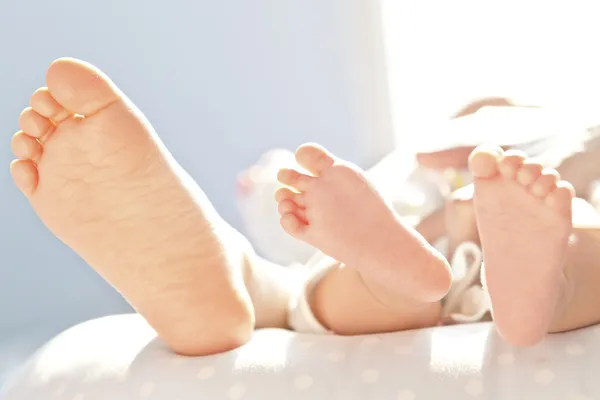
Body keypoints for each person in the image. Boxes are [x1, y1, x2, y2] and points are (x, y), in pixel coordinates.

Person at [9, 58, 600, 357]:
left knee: (312, 293)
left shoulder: (462, 151)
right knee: (580, 251)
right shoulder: (535, 165)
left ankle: (246, 281)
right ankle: (537, 296)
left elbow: (294, 209)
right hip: (523, 236)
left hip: (401, 247)